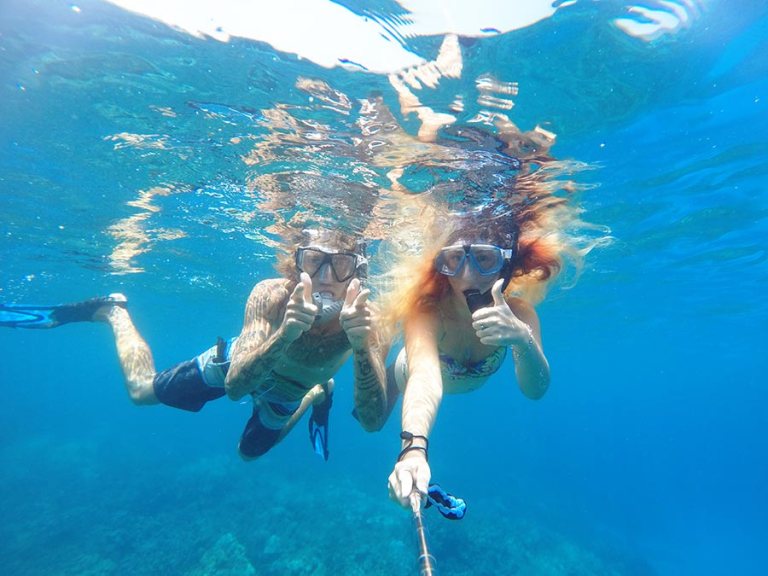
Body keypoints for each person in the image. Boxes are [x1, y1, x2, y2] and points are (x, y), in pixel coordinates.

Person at [0, 228, 385, 460]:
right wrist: (285, 335)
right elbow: (235, 388)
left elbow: (371, 423)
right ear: (297, 264)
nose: (325, 277)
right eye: (314, 260)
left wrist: (361, 344)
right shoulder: (271, 295)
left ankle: (316, 394)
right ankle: (112, 310)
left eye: (342, 265)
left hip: (292, 389)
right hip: (241, 363)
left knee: (246, 455)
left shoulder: (372, 318)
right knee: (138, 391)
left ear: (359, 273)